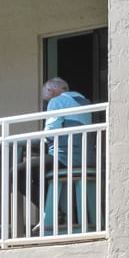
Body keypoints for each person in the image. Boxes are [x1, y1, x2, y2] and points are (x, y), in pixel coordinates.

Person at [35, 76, 99, 233]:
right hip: (86, 158)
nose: (47, 102)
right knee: (40, 170)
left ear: (50, 90)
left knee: (18, 173)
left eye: (46, 99)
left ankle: (53, 212)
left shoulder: (57, 101)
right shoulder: (83, 101)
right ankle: (57, 213)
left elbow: (50, 132)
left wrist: (40, 140)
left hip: (65, 157)